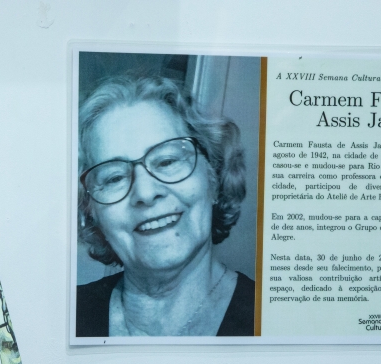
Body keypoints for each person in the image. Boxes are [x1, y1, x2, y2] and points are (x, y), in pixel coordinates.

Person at [75, 76, 255, 337]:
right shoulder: (63, 316)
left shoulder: (277, 321)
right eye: (114, 178)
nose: (145, 193)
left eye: (167, 161)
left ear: (213, 178)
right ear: (91, 212)